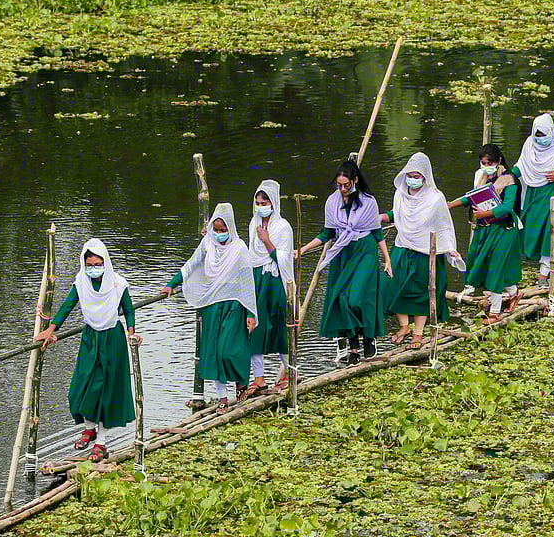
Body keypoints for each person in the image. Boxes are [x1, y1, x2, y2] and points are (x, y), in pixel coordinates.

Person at [34, 239, 137, 463]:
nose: (93, 268)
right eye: (89, 264)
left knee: (107, 391)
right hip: (90, 338)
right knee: (81, 386)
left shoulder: (118, 284)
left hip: (113, 340)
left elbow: (128, 310)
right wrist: (51, 329)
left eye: (97, 263)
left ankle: (101, 443)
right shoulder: (81, 282)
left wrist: (131, 333)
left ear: (105, 262)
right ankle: (89, 428)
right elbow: (67, 306)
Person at [163, 204, 259, 413]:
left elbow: (247, 282)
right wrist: (172, 284)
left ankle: (242, 380)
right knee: (213, 354)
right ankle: (222, 398)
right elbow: (191, 264)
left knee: (229, 351)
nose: (219, 234)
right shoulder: (208, 244)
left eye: (223, 230)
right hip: (211, 306)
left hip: (234, 305)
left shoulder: (240, 249)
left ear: (230, 229)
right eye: (216, 229)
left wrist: (251, 312)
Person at [295, 161, 391, 365]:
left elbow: (377, 232)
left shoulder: (368, 202)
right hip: (342, 252)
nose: (342, 189)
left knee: (355, 298)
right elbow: (327, 233)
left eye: (346, 185)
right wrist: (302, 250)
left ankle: (368, 336)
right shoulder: (332, 202)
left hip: (364, 250)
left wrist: (387, 259)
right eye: (339, 185)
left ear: (355, 181)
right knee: (341, 299)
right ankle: (354, 347)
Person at [382, 152, 462, 348]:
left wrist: (450, 247)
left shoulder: (435, 198)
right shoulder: (400, 193)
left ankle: (418, 333)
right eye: (410, 175)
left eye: (417, 177)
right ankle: (404, 326)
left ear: (425, 177)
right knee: (392, 286)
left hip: (425, 252)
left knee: (421, 292)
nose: (412, 180)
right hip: (402, 247)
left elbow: (444, 224)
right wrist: (384, 217)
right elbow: (399, 214)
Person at [448, 144, 523, 324]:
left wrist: (484, 214)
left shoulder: (509, 180)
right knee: (483, 264)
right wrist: (450, 205)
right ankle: (514, 294)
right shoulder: (482, 177)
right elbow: (470, 198)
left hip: (503, 229)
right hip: (485, 229)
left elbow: (507, 207)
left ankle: (495, 312)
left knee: (495, 269)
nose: (486, 165)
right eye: (483, 162)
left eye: (489, 162)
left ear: (498, 161)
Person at [511, 114, 554, 287]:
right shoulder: (530, 144)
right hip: (534, 194)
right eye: (538, 135)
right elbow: (522, 165)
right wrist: (507, 176)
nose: (541, 139)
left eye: (544, 135)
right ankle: (536, 269)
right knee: (532, 231)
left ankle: (544, 275)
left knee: (550, 234)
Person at [246, 179, 294, 396]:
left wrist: (266, 241)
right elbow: (251, 255)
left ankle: (289, 372)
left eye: (265, 201)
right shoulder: (252, 224)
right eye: (258, 202)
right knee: (254, 328)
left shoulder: (282, 226)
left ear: (273, 203)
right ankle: (259, 378)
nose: (261, 205)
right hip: (257, 279)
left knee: (277, 326)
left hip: (275, 282)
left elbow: (283, 258)